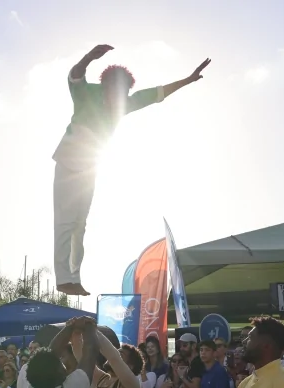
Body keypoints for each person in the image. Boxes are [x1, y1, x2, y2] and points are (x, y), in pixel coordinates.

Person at [52, 44, 211, 296]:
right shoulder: (86, 94)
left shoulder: (124, 104)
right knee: (65, 221)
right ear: (106, 85)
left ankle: (73, 277)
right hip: (68, 162)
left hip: (89, 166)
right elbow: (75, 75)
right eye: (116, 91)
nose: (119, 98)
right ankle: (63, 278)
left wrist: (189, 80)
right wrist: (88, 58)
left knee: (80, 224)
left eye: (124, 93)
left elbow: (157, 94)